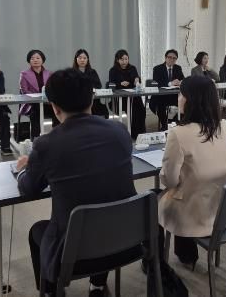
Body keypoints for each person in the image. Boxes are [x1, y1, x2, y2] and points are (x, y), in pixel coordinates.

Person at [16, 69, 137, 297]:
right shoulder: (120, 131)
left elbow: (28, 189)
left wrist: (24, 168)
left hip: (74, 253)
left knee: (37, 231)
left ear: (54, 107)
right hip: (126, 241)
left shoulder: (47, 144)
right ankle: (98, 286)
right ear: (92, 98)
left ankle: (51, 291)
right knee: (104, 211)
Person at [159, 75, 226, 268]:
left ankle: (156, 264)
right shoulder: (225, 126)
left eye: (181, 95)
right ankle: (186, 254)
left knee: (154, 199)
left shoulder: (178, 133)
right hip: (219, 209)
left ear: (191, 100)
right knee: (192, 186)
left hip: (190, 213)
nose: (178, 99)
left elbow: (169, 181)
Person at [19, 49, 59, 139]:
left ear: (42, 60)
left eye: (38, 58)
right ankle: (35, 140)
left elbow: (52, 88)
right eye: (32, 58)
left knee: (58, 110)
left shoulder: (49, 73)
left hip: (46, 103)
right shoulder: (24, 74)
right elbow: (24, 91)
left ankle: (56, 137)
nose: (35, 60)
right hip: (32, 104)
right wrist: (38, 97)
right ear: (29, 61)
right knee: (35, 114)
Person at [109, 49, 146, 139]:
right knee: (133, 111)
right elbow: (111, 84)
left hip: (133, 95)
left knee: (141, 110)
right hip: (120, 97)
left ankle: (141, 132)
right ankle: (134, 133)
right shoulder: (113, 70)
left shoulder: (132, 68)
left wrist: (137, 80)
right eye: (122, 59)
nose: (124, 61)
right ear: (117, 60)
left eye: (126, 59)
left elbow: (136, 79)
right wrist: (120, 84)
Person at [149, 49, 185, 131]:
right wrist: (170, 83)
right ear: (165, 58)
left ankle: (174, 121)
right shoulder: (157, 68)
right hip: (161, 96)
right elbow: (157, 83)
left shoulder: (178, 68)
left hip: (174, 95)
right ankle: (165, 125)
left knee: (186, 102)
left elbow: (183, 79)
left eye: (174, 58)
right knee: (160, 104)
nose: (172, 59)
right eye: (169, 57)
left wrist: (180, 82)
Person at [73, 49, 109, 119]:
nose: (82, 60)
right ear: (76, 59)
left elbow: (98, 85)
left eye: (84, 58)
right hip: (78, 102)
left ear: (87, 60)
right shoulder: (72, 72)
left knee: (102, 110)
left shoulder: (92, 72)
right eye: (80, 58)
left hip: (93, 100)